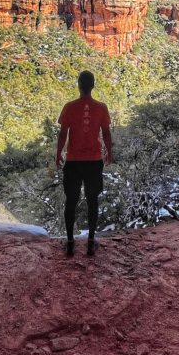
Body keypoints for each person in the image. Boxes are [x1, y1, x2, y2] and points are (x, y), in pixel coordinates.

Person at [56, 70, 112, 257]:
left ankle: (70, 242)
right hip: (94, 162)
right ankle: (90, 242)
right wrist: (109, 152)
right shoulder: (101, 107)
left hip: (73, 162)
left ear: (78, 85)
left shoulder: (69, 107)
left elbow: (63, 133)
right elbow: (106, 133)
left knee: (70, 202)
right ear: (93, 85)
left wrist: (58, 153)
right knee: (92, 201)